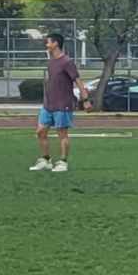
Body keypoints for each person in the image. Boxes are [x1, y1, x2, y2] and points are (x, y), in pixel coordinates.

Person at [31, 31, 89, 173]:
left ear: (55, 43)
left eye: (48, 42)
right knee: (40, 132)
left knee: (62, 134)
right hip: (48, 105)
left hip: (63, 104)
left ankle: (63, 162)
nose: (46, 44)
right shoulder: (51, 62)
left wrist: (85, 99)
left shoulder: (67, 62)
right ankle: (46, 160)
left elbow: (78, 81)